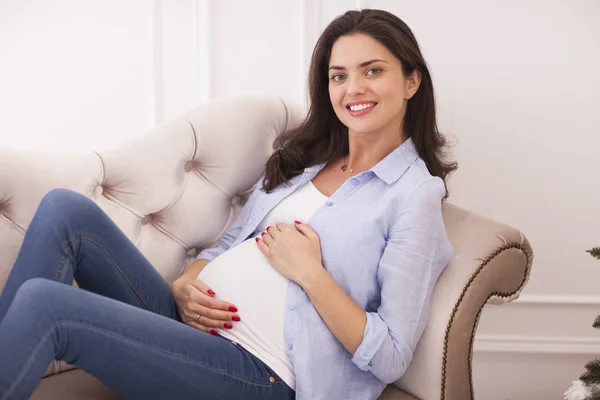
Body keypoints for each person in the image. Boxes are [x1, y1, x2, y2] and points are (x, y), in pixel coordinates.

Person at [0, 8, 457, 400]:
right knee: (65, 209)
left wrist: (310, 273)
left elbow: (391, 355)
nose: (352, 88)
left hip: (259, 370)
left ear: (412, 80)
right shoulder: (305, 160)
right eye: (339, 76)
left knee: (46, 303)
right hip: (191, 326)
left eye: (373, 70)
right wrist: (188, 280)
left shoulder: (413, 196)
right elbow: (230, 244)